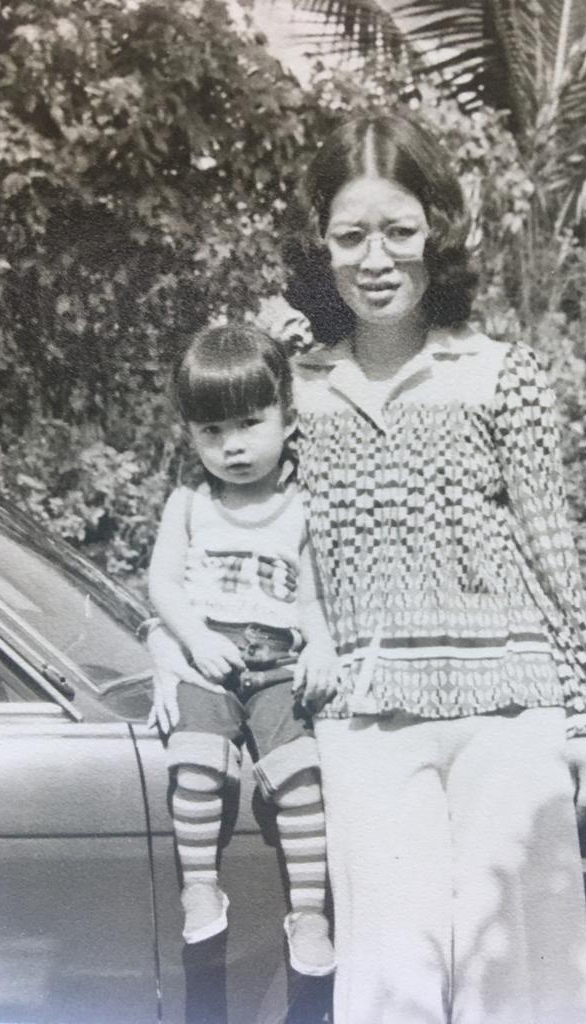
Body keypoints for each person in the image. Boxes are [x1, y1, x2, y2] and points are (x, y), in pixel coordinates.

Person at [280, 112, 586, 1024]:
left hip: (510, 715)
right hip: (369, 721)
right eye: (351, 236)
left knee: (526, 992)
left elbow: (551, 548)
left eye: (399, 229)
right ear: (321, 246)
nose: (376, 259)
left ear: (436, 229)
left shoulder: (504, 375)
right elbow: (255, 534)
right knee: (390, 988)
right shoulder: (294, 387)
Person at [147, 323, 338, 977]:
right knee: (194, 766)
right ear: (193, 435)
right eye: (211, 431)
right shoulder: (191, 505)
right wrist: (195, 641)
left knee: (302, 781)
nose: (231, 447)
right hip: (211, 656)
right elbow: (163, 584)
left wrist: (322, 646)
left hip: (279, 665)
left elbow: (312, 600)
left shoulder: (302, 508)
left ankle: (308, 914)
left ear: (288, 419)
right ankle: (200, 888)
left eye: (248, 424)